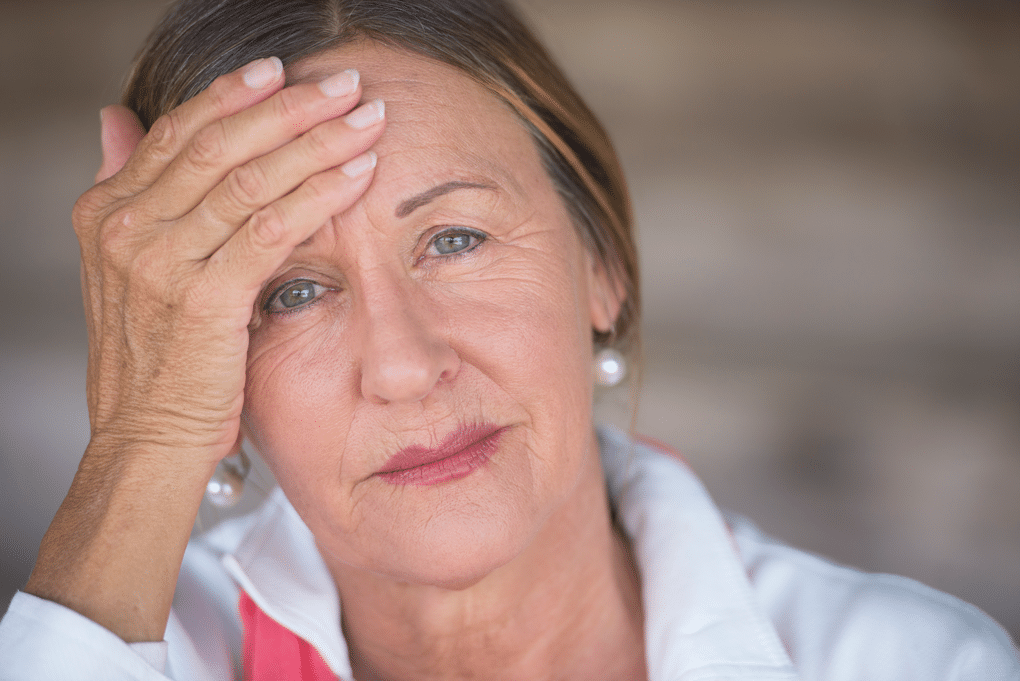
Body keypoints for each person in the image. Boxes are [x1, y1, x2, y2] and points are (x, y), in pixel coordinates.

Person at [0, 0, 1017, 679]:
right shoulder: (137, 649)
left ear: (602, 267)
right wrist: (141, 446)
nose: (403, 365)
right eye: (292, 291)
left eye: (454, 238)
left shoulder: (911, 664)